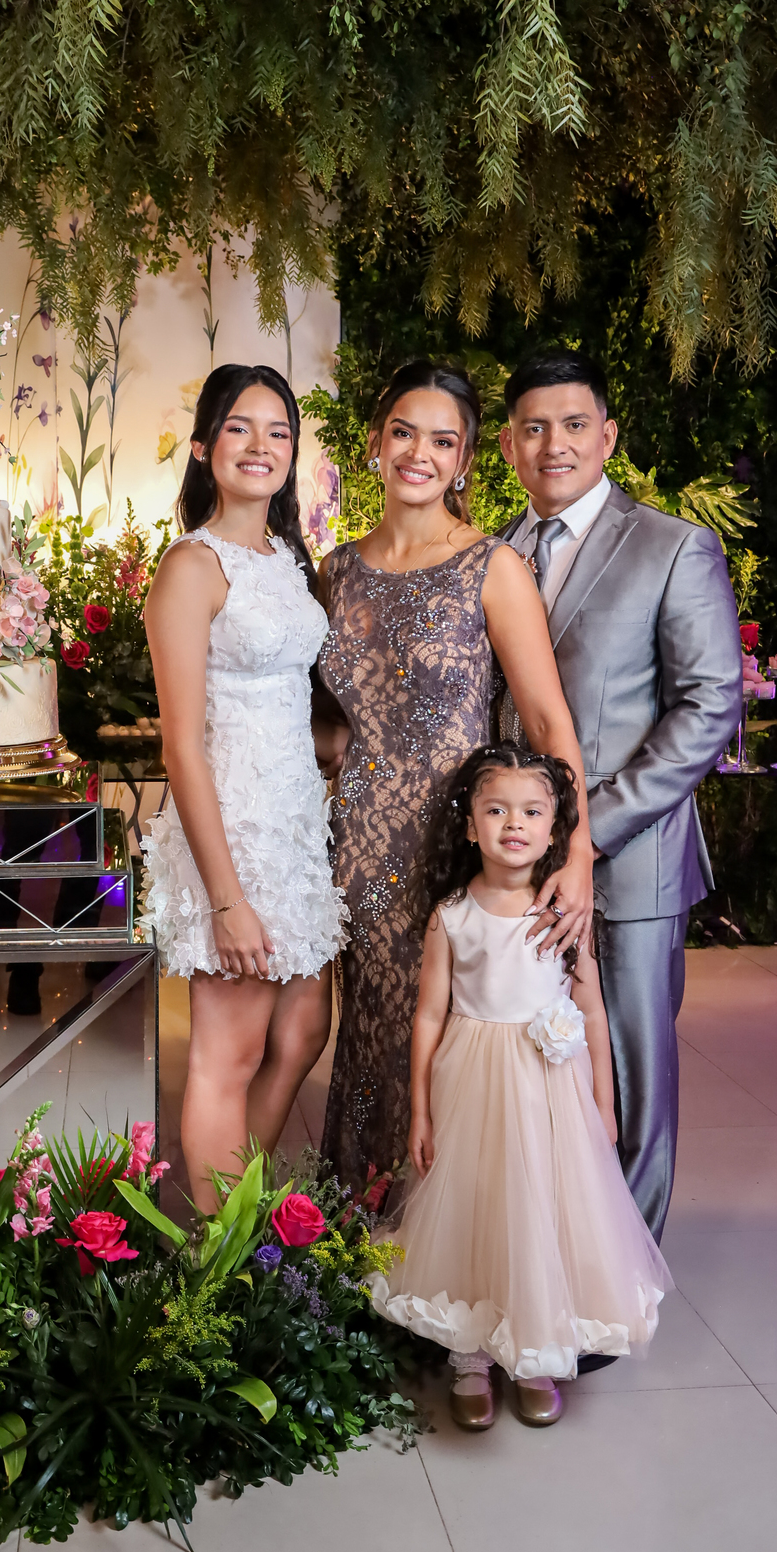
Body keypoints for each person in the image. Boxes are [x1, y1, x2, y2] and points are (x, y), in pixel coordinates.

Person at [316, 360, 595, 1195]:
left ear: (467, 458)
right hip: (358, 850)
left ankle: (447, 1241)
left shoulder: (493, 566)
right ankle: (365, 1236)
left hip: (456, 848)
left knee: (449, 1037)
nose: (420, 454)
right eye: (404, 432)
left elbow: (547, 723)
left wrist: (576, 853)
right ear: (376, 442)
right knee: (371, 1033)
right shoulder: (335, 571)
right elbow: (328, 721)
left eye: (443, 440)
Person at [499, 346, 741, 1241]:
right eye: (533, 428)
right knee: (534, 1060)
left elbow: (709, 706)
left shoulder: (673, 546)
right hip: (514, 861)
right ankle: (549, 1255)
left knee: (633, 1078)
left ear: (607, 435)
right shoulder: (498, 551)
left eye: (572, 424)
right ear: (509, 446)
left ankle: (623, 1276)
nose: (553, 444)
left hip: (631, 860)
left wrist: (588, 832)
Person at [370, 744, 672, 1431]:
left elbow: (591, 1011)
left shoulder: (564, 913)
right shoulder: (452, 914)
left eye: (533, 811)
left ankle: (535, 1355)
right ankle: (470, 1357)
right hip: (472, 1083)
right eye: (497, 809)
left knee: (544, 1209)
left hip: (549, 1090)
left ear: (555, 826)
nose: (514, 823)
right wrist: (420, 1109)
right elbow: (428, 1014)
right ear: (469, 823)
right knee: (477, 1205)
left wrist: (603, 1102)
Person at [142, 363, 347, 1211]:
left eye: (279, 431)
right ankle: (223, 1252)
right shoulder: (192, 566)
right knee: (228, 1054)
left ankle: (229, 1210)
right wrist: (226, 899)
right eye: (239, 427)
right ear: (203, 446)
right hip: (231, 833)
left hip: (294, 827)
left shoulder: (287, 557)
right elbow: (181, 746)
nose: (261, 445)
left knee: (303, 1030)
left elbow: (290, 699)